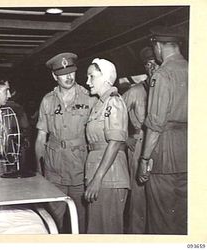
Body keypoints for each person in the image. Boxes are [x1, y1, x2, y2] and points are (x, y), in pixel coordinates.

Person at [35, 52, 95, 233]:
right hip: (54, 170)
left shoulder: (90, 97)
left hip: (80, 169)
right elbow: (40, 138)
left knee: (82, 220)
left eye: (72, 72)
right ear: (54, 76)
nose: (69, 77)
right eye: (63, 74)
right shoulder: (47, 101)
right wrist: (39, 171)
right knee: (53, 221)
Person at [138, 26, 188, 234]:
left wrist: (144, 159)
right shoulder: (194, 69)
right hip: (190, 151)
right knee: (184, 218)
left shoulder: (162, 74)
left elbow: (156, 123)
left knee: (161, 220)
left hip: (164, 154)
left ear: (157, 46)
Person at [84, 58, 129, 234]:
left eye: (91, 76)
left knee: (108, 232)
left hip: (109, 177)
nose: (87, 82)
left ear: (106, 78)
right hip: (100, 173)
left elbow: (115, 142)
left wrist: (97, 179)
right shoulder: (100, 104)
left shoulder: (114, 102)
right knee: (96, 231)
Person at [123, 46, 159, 234]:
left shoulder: (165, 88)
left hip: (161, 145)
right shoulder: (136, 90)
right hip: (139, 145)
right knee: (138, 196)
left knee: (158, 195)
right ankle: (136, 236)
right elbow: (115, 113)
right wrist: (125, 138)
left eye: (155, 64)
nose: (152, 68)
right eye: (148, 65)